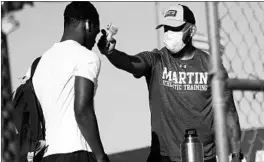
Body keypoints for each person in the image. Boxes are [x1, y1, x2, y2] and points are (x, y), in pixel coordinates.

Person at [98, 4, 243, 162]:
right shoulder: (157, 59)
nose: (169, 33)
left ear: (191, 30)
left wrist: (236, 154)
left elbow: (229, 113)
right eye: (166, 28)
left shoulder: (211, 65)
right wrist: (110, 52)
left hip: (203, 157)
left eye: (175, 28)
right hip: (163, 157)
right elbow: (131, 62)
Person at [24, 2, 110, 162]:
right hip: (77, 153)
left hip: (47, 156)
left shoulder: (36, 65)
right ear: (88, 24)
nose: (94, 41)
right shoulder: (86, 57)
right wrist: (101, 156)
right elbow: (82, 110)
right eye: (96, 33)